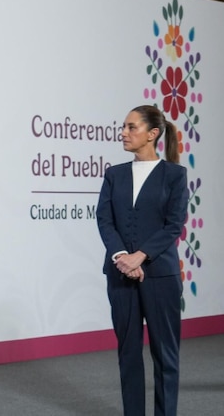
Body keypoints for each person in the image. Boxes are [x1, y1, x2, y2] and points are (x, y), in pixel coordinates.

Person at [97, 105, 188, 416]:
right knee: (128, 354)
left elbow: (174, 225)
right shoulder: (114, 174)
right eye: (123, 126)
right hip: (120, 276)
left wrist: (140, 256)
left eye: (131, 127)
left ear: (152, 134)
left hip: (160, 277)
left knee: (166, 356)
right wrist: (122, 257)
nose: (123, 132)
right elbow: (104, 220)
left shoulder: (175, 175)